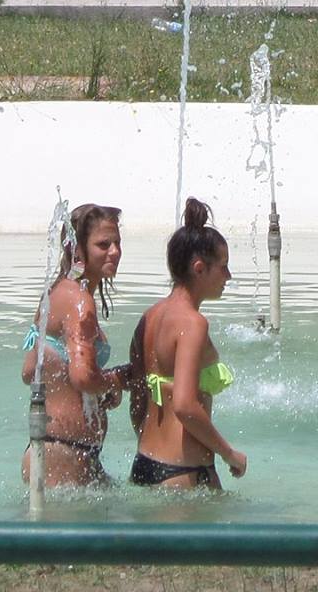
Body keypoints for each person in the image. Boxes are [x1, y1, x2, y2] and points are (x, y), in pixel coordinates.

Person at [126, 198, 246, 490]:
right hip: (184, 471)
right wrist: (229, 454)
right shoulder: (193, 323)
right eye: (224, 267)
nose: (228, 276)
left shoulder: (150, 316)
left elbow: (137, 395)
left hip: (145, 463)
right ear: (199, 268)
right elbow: (184, 405)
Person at [20, 202, 128, 489]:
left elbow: (29, 372)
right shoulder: (80, 301)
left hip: (51, 450)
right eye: (103, 244)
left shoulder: (55, 293)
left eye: (117, 243)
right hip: (65, 456)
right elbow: (82, 377)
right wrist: (117, 380)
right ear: (77, 250)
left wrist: (91, 390)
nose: (115, 251)